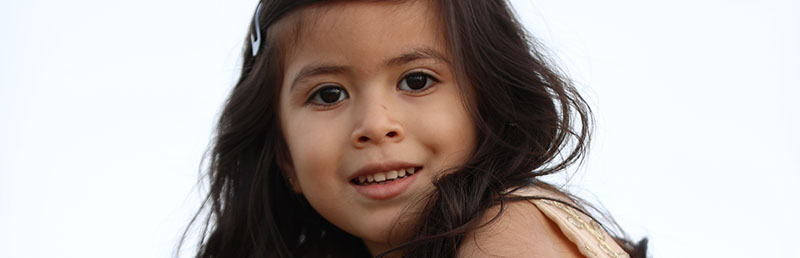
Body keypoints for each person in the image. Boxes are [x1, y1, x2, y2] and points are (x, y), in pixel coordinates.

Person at [184, 0, 648, 257]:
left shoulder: (507, 229)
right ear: (284, 154)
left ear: (488, 102)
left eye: (417, 81)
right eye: (328, 94)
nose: (375, 126)